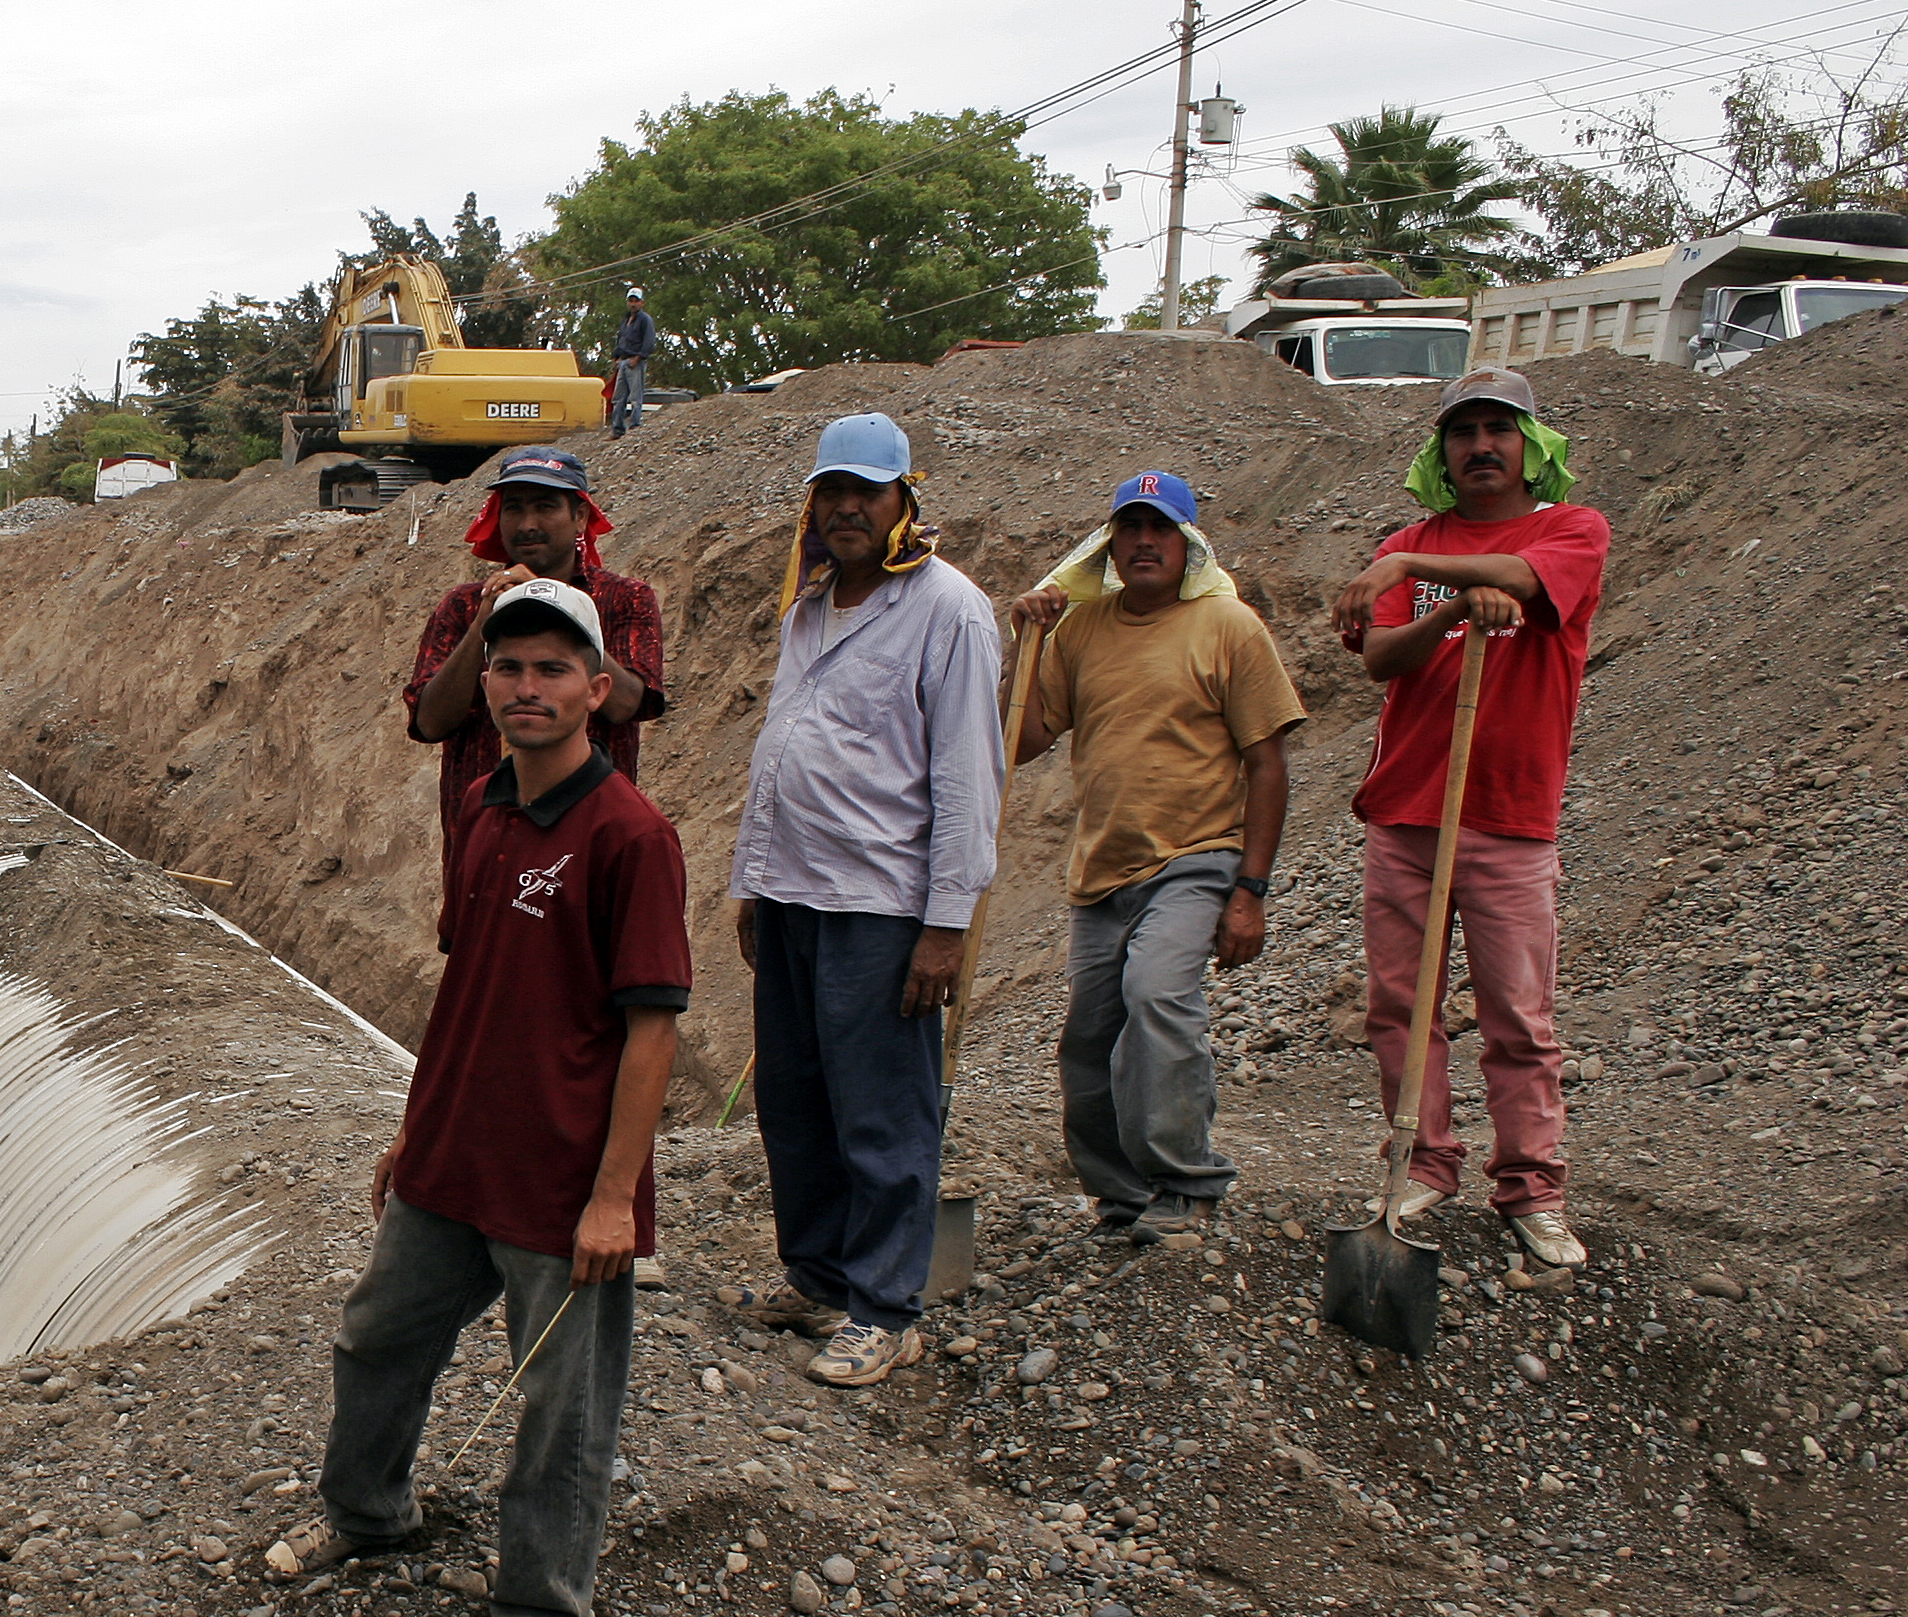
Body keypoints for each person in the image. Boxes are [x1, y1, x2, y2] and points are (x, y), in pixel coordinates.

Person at [271, 580, 690, 1617]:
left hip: (560, 1178)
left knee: (561, 1406)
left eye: (554, 668)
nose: (526, 687)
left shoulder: (632, 837)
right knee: (376, 1337)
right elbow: (472, 987)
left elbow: (652, 1029)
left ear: (597, 690)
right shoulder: (486, 812)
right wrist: (415, 1127)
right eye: (508, 667)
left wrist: (615, 1197)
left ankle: (541, 1615)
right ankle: (367, 1512)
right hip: (454, 1154)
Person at [727, 413, 1004, 1386]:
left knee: (882, 1110)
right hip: (792, 890)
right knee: (795, 1099)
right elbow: (783, 742)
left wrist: (946, 924)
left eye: (868, 492)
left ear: (904, 501)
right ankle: (818, 1275)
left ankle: (887, 1307)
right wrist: (752, 880)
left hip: (882, 902)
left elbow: (967, 774)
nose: (848, 508)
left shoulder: (950, 611)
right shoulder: (809, 606)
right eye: (832, 491)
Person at [1329, 366, 1610, 1269]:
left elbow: (1527, 578)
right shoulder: (1409, 542)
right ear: (1441, 453)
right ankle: (1422, 1162)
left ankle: (1532, 1187)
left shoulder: (1572, 529)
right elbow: (1380, 658)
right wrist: (1450, 603)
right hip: (1405, 809)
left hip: (1510, 814)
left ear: (1533, 447)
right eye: (1463, 432)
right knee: (1400, 1005)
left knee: (1517, 1015)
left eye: (1499, 430)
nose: (1481, 446)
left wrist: (1415, 569)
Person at [1007, 471, 1307, 1247]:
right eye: (1130, 529)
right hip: (1101, 870)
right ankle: (1120, 1197)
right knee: (1087, 1041)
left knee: (1157, 998)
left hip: (1197, 858)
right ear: (1109, 546)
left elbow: (1267, 763)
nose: (1145, 542)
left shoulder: (1229, 627)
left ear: (1188, 543)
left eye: (1161, 529)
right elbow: (1025, 741)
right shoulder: (1081, 630)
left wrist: (1251, 891)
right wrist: (1025, 645)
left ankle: (1186, 1183)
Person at [405, 445, 665, 911]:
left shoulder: (626, 600)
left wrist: (553, 601)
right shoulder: (462, 607)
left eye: (545, 507)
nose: (527, 524)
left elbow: (626, 703)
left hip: (586, 845)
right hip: (483, 842)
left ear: (580, 516)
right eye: (514, 508)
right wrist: (485, 619)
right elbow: (429, 721)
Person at [609, 286, 657, 438]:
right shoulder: (625, 320)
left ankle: (635, 426)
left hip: (635, 362)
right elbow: (620, 340)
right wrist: (615, 357)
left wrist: (638, 358)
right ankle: (617, 429)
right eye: (631, 301)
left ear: (642, 302)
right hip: (623, 362)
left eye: (636, 301)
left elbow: (649, 342)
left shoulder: (645, 320)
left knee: (635, 397)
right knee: (618, 398)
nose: (633, 304)